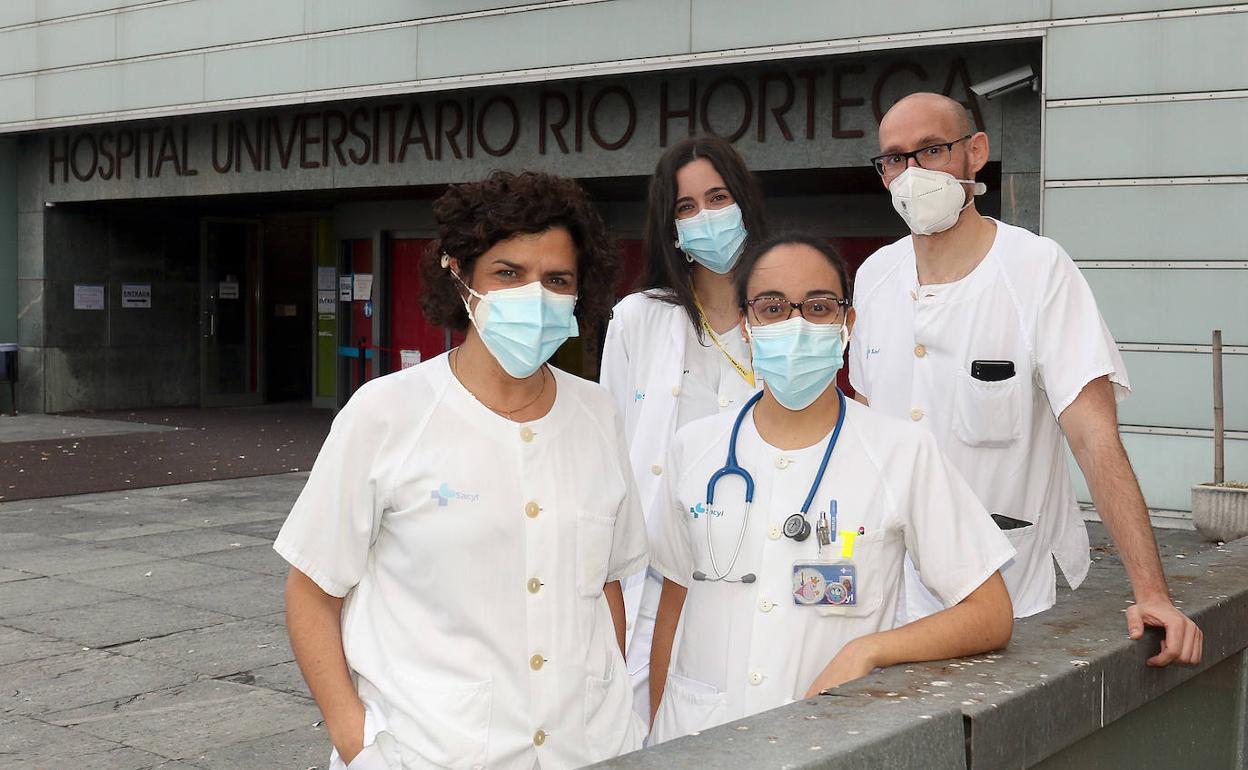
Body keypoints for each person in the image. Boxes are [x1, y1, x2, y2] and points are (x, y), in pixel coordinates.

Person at [275, 170, 649, 770]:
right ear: (459, 274)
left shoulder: (597, 413)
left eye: (557, 279)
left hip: (589, 749)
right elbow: (312, 591)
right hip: (428, 753)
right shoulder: (386, 413)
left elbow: (606, 584)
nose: (535, 295)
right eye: (509, 272)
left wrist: (609, 713)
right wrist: (356, 741)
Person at [850, 92, 1202, 666]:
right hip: (888, 594)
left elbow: (1093, 435)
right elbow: (864, 429)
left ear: (975, 153)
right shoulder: (873, 277)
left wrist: (1152, 593)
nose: (911, 174)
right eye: (894, 159)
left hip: (1009, 593)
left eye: (931, 150)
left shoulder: (1037, 269)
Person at [647, 234, 1014, 742]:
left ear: (848, 323)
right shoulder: (696, 449)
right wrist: (656, 743)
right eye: (772, 308)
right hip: (699, 738)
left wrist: (868, 650)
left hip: (828, 742)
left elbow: (990, 613)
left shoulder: (901, 452)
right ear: (746, 325)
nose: (795, 324)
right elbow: (673, 603)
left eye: (818, 307)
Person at [600, 134, 769, 719]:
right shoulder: (639, 319)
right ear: (670, 225)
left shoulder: (785, 316)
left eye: (718, 197)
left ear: (745, 202)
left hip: (758, 571)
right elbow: (611, 452)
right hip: (651, 579)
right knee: (640, 724)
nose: (706, 217)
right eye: (687, 207)